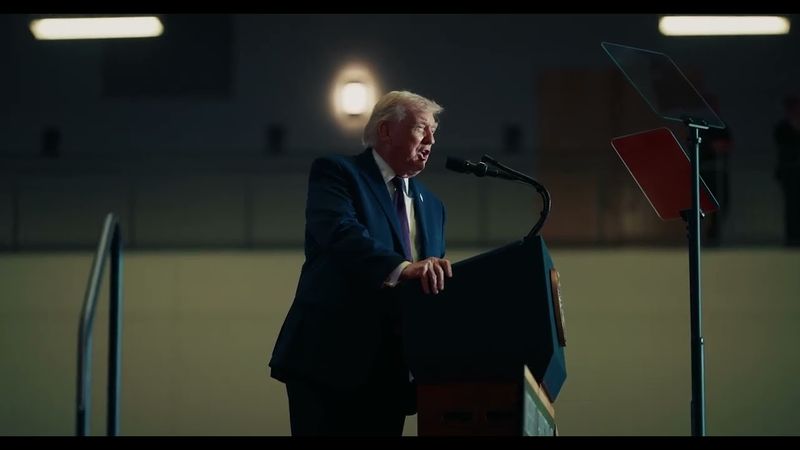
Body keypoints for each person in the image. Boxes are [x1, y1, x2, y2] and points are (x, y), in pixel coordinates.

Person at [268, 90, 453, 436]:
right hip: (329, 361)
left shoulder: (433, 206)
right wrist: (402, 268)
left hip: (391, 375)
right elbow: (340, 233)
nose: (431, 140)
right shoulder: (338, 173)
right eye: (421, 129)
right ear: (386, 131)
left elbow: (429, 281)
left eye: (434, 133)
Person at [699, 95, 733, 245]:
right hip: (705, 172)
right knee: (704, 204)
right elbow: (705, 146)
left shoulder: (722, 126)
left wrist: (719, 146)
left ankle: (714, 234)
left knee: (722, 203)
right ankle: (704, 235)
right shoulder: (700, 126)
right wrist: (714, 146)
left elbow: (728, 145)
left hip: (719, 171)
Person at [774, 94, 800, 246]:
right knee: (791, 204)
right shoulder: (782, 127)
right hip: (789, 171)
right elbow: (783, 145)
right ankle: (792, 236)